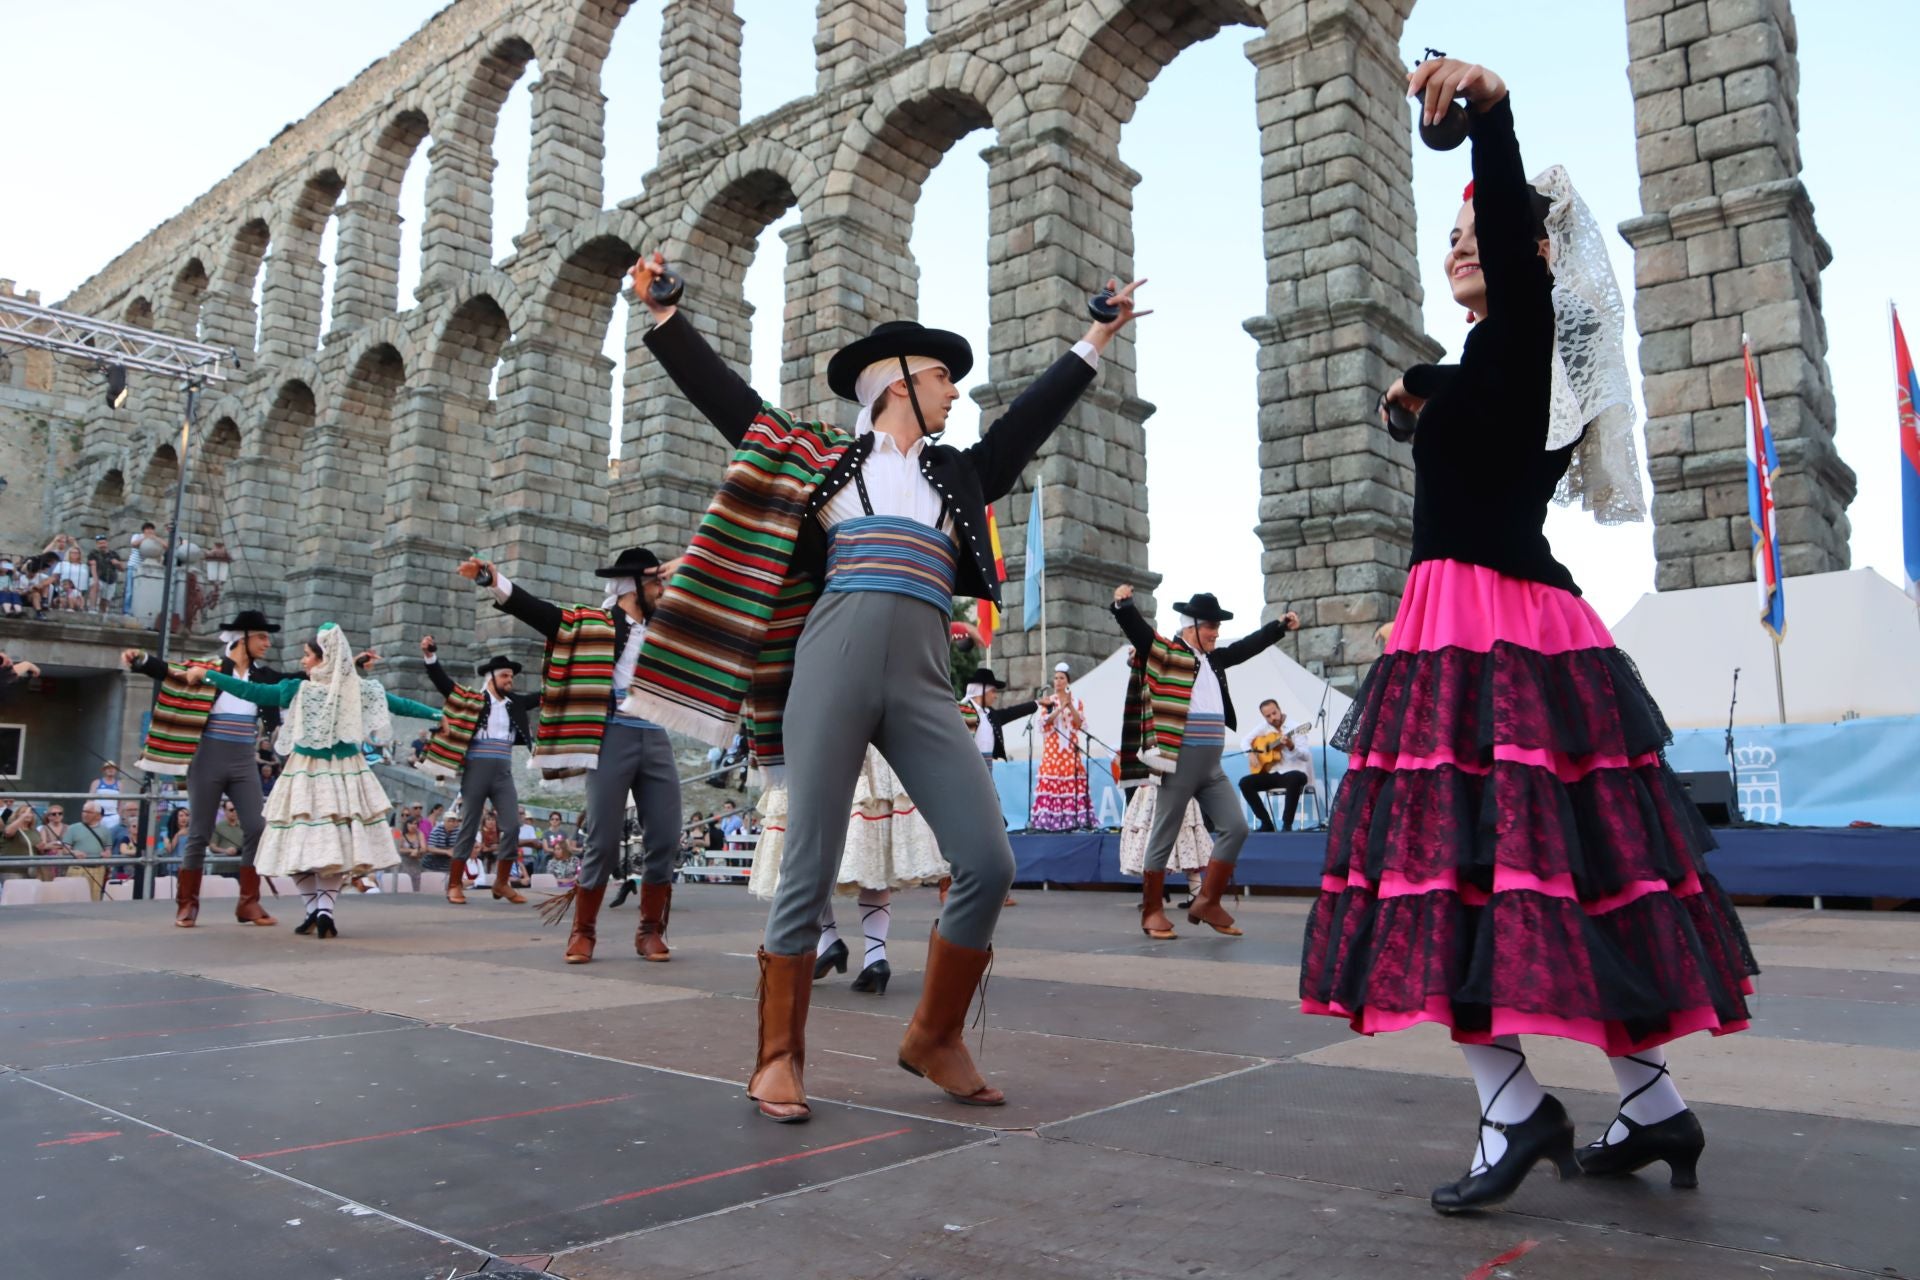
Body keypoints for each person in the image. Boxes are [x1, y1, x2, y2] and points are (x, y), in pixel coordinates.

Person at [1299, 56, 1758, 1215]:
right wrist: (1419, 397)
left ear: (1536, 257)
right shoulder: (1496, 365)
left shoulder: (1533, 327)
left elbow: (1509, 233)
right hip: (1532, 619)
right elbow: (1452, 408)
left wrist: (1492, 125)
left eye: (1479, 238)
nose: (1462, 249)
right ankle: (1654, 1106)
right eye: (1453, 237)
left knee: (1447, 873)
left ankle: (1515, 1106)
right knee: (1574, 876)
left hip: (1478, 621)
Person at [625, 247, 1143, 1122]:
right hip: (828, 660)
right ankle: (779, 1055)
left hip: (925, 681)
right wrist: (669, 313)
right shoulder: (819, 459)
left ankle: (934, 1037)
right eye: (944, 377)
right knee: (811, 858)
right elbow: (729, 404)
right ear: (898, 382)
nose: (955, 393)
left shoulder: (958, 473)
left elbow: (1031, 420)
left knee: (987, 858)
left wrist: (1096, 334)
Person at [456, 545, 683, 964]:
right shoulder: (596, 624)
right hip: (612, 734)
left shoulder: (668, 625)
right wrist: (494, 581)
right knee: (601, 841)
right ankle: (584, 931)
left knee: (667, 838)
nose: (663, 588)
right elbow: (542, 613)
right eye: (656, 581)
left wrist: (684, 565)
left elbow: (709, 603)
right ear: (633, 585)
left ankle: (650, 930)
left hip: (655, 735)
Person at [184, 624, 435, 938]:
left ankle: (314, 910)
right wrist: (438, 715)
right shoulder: (358, 689)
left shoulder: (299, 689)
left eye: (307, 656)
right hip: (345, 775)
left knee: (295, 845)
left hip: (305, 774)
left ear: (322, 659)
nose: (303, 662)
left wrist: (208, 675)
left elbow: (254, 691)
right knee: (333, 848)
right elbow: (400, 705)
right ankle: (322, 911)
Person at [125, 609, 335, 928]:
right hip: (208, 756)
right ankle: (187, 905)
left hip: (242, 758)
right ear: (243, 639)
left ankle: (248, 903)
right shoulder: (212, 667)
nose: (267, 643)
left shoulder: (261, 676)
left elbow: (298, 678)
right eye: (261, 637)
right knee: (199, 832)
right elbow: (174, 672)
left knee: (256, 826)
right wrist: (142, 661)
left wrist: (348, 666)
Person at [1111, 586, 1298, 939]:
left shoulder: (1213, 659)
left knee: (1236, 827)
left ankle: (1207, 901)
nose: (1216, 632)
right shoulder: (1166, 652)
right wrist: (1124, 605)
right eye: (1211, 625)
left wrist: (1278, 628)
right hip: (1180, 762)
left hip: (1212, 766)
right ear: (1191, 625)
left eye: (1217, 626)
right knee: (1163, 835)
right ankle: (1152, 911)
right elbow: (1139, 632)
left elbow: (1246, 648)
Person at [751, 747, 948, 995]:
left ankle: (829, 941)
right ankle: (875, 958)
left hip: (823, 746)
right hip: (873, 754)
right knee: (872, 860)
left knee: (810, 852)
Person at [419, 639, 539, 906]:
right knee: (469, 826)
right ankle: (453, 884)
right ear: (491, 678)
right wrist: (430, 658)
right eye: (505, 676)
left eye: (511, 676)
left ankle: (502, 882)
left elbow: (544, 696)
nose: (511, 680)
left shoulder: (514, 703)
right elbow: (445, 685)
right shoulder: (473, 700)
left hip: (503, 772)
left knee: (513, 826)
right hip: (476, 770)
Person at [1031, 662, 1094, 831]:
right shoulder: (1048, 701)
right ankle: (1049, 823)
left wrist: (1070, 705)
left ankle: (1074, 822)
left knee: (1072, 784)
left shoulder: (1077, 702)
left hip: (1070, 752)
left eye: (1061, 678)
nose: (1058, 681)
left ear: (1067, 681)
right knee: (1052, 783)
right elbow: (1045, 722)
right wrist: (1060, 708)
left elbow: (1080, 723)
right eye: (1056, 678)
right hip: (1053, 752)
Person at [1240, 699, 1312, 832]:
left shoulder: (1296, 727)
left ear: (1280, 709)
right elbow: (1245, 741)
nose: (1273, 718)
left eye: (1274, 713)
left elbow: (1306, 756)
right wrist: (1250, 753)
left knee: (1294, 777)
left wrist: (1291, 747)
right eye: (1268, 716)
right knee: (1245, 783)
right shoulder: (1264, 727)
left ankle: (1287, 824)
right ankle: (1266, 823)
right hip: (1275, 774)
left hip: (1295, 772)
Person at [60, 800, 114, 900]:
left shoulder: (105, 831)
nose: (85, 814)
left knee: (95, 898)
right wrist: (73, 852)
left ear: (98, 815)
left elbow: (108, 849)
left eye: (89, 812)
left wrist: (107, 853)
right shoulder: (72, 828)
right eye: (84, 811)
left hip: (98, 869)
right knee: (75, 897)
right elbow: (65, 849)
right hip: (78, 868)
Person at [87, 534, 122, 613]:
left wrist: (118, 564)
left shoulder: (114, 554)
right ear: (97, 544)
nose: (102, 545)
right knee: (94, 586)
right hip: (98, 577)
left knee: (105, 601)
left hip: (110, 580)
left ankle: (102, 615)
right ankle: (92, 608)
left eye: (103, 543)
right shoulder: (93, 553)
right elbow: (93, 566)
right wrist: (96, 581)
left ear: (107, 543)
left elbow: (122, 568)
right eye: (100, 543)